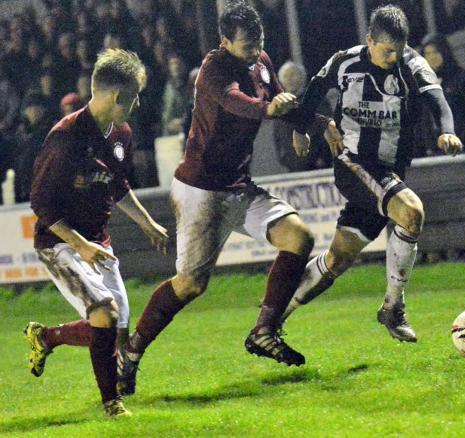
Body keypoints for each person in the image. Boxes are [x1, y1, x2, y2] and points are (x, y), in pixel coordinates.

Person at [117, 0, 340, 396]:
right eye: (246, 46)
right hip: (201, 190)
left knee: (299, 238)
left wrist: (317, 123)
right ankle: (130, 354)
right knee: (189, 285)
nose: (255, 52)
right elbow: (239, 102)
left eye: (259, 44)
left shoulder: (261, 60)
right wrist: (270, 108)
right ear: (224, 41)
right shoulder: (213, 70)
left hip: (238, 186)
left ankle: (264, 330)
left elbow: (279, 102)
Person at [283, 5, 463, 342]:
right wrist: (301, 128)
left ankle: (273, 316)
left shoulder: (412, 65)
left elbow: (438, 101)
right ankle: (393, 308)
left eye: (398, 49)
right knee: (411, 213)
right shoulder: (345, 61)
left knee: (339, 258)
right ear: (369, 41)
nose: (393, 56)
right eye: (386, 50)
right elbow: (315, 89)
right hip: (353, 163)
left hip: (388, 172)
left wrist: (447, 130)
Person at [24, 49, 169, 417]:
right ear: (119, 96)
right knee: (104, 313)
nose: (136, 105)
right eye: (134, 97)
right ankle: (112, 404)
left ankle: (46, 337)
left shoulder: (121, 133)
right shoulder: (65, 139)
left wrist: (147, 223)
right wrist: (80, 245)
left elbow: (117, 185)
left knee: (117, 330)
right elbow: (40, 203)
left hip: (96, 242)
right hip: (60, 243)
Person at [419, 33, 465, 154]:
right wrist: (430, 145)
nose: (432, 57)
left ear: (444, 52)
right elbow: (424, 120)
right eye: (428, 54)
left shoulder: (464, 77)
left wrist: (461, 140)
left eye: (436, 52)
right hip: (437, 153)